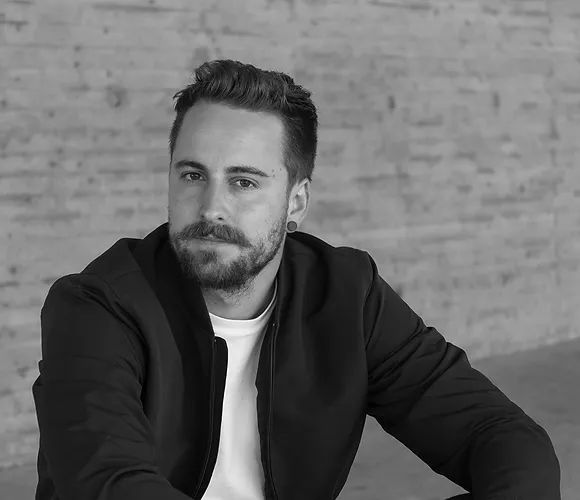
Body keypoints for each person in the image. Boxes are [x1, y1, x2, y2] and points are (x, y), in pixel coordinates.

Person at [31, 59, 561, 499]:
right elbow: (111, 482)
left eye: (244, 182)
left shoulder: (347, 295)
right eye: (192, 175)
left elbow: (501, 437)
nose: (211, 207)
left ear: (296, 202)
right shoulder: (96, 306)